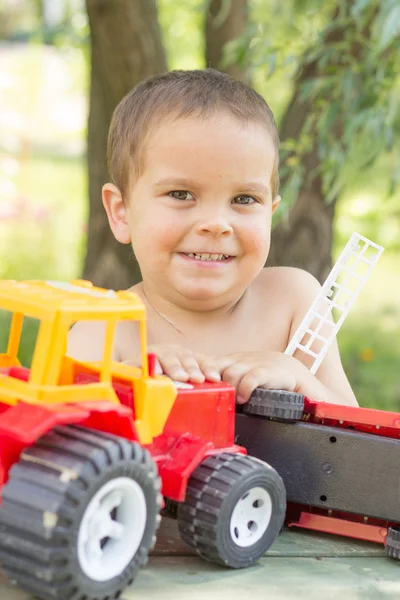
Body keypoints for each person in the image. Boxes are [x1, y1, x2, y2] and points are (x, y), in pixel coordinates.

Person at [68, 69, 357, 407]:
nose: (216, 224)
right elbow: (57, 440)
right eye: (180, 193)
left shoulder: (294, 301)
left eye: (244, 199)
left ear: (271, 213)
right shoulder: (104, 331)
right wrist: (128, 386)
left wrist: (298, 376)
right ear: (121, 212)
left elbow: (358, 440)